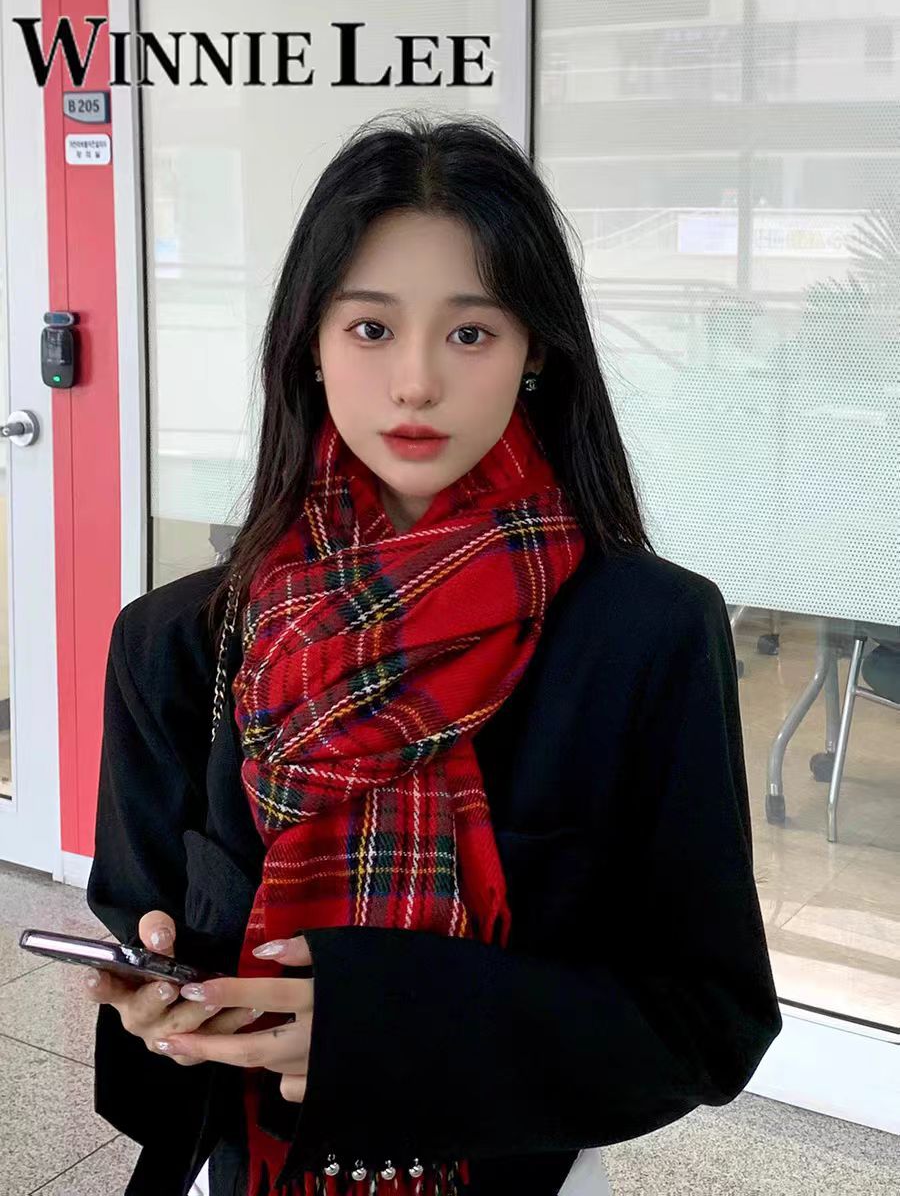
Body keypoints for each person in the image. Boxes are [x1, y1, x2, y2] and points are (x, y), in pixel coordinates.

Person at [83, 110, 782, 1196]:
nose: (414, 382)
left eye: (470, 333)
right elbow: (139, 920)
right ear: (310, 345)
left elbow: (710, 1019)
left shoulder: (645, 634)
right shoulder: (178, 641)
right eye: (370, 328)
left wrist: (392, 1031)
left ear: (535, 351)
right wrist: (157, 998)